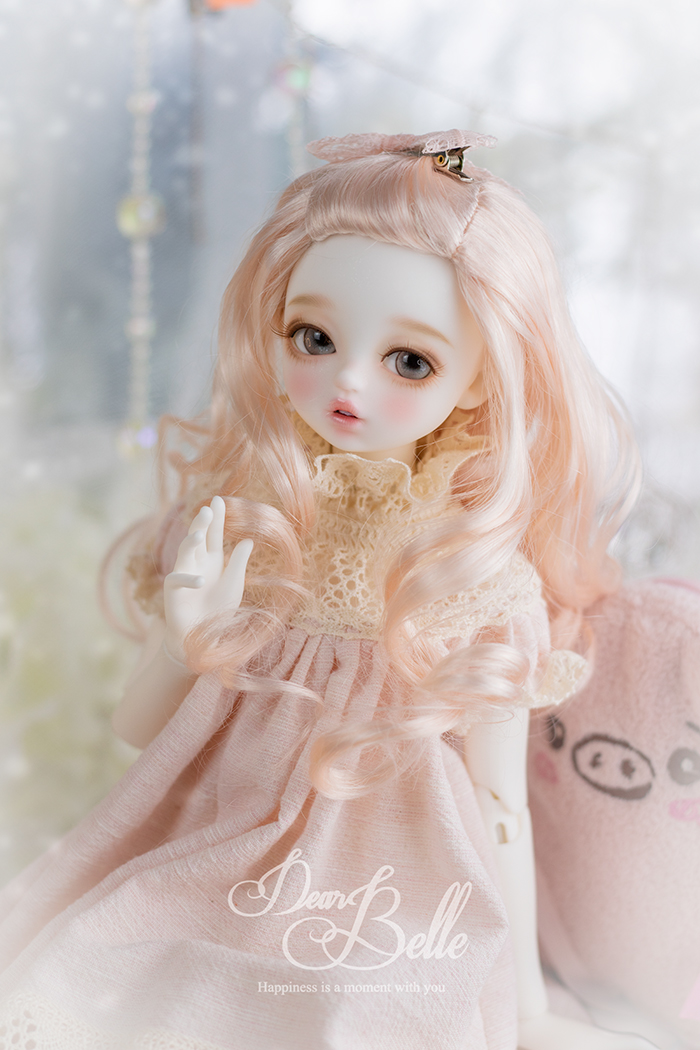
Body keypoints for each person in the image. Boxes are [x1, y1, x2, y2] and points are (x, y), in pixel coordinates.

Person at [0, 130, 655, 1050]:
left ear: (480, 383)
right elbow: (142, 731)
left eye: (410, 360)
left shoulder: (473, 579)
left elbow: (499, 808)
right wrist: (185, 645)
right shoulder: (248, 528)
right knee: (106, 980)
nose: (348, 380)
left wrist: (527, 1013)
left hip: (388, 910)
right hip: (209, 868)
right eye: (314, 338)